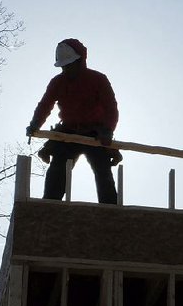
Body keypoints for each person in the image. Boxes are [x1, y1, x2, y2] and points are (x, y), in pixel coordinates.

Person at [26, 38, 122, 204]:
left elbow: (111, 107)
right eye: (63, 66)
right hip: (68, 132)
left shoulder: (98, 79)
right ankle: (49, 206)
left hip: (95, 133)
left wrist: (108, 130)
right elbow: (45, 104)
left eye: (69, 64)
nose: (66, 69)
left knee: (103, 171)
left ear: (80, 61)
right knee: (57, 169)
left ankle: (110, 210)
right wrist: (35, 123)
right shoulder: (58, 82)